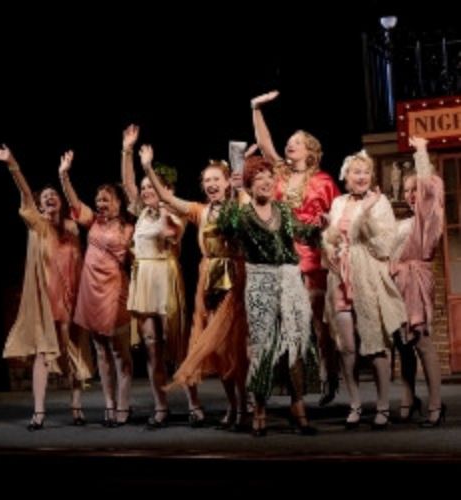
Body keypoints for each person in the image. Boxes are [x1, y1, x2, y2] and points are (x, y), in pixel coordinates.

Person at [0, 145, 93, 430]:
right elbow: (24, 193)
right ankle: (39, 412)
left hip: (71, 298)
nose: (49, 198)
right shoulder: (37, 225)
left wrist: (65, 176)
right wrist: (12, 163)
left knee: (72, 350)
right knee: (43, 354)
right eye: (44, 197)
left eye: (53, 195)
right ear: (40, 205)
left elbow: (79, 257)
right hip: (47, 300)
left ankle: (76, 407)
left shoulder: (71, 228)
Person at [142, 154, 251, 431]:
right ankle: (233, 406)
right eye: (207, 180)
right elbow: (167, 198)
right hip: (209, 279)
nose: (211, 184)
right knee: (217, 348)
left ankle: (244, 406)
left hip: (235, 278)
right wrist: (147, 168)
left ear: (227, 182)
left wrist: (241, 186)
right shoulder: (201, 211)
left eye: (216, 179)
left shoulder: (240, 204)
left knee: (234, 347)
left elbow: (252, 206)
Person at [251, 90, 340, 407]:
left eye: (297, 142)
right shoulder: (280, 173)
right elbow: (265, 146)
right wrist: (256, 109)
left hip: (312, 257)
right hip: (283, 256)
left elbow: (336, 218)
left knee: (318, 324)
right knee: (288, 324)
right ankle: (294, 386)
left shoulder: (324, 181)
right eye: (289, 141)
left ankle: (330, 373)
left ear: (310, 150)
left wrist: (326, 226)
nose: (290, 145)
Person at [218, 155, 314, 436]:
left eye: (270, 177)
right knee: (262, 347)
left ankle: (298, 408)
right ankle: (259, 409)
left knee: (295, 343)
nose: (267, 182)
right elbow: (225, 228)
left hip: (290, 281)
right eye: (259, 178)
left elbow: (302, 232)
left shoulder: (283, 209)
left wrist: (320, 225)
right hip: (260, 283)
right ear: (249, 184)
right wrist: (233, 193)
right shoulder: (243, 214)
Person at [121, 124, 203, 428]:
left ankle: (194, 403)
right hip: (143, 280)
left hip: (165, 278)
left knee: (176, 347)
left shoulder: (174, 212)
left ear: (164, 187)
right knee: (152, 347)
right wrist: (127, 150)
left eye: (150, 187)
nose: (145, 191)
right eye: (144, 188)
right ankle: (160, 406)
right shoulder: (142, 212)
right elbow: (127, 184)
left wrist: (149, 169)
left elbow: (174, 235)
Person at [322, 150, 407, 429]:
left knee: (375, 345)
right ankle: (355, 403)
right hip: (339, 279)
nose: (361, 177)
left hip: (367, 276)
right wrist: (328, 245)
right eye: (356, 172)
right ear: (346, 176)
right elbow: (331, 237)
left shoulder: (380, 202)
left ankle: (382, 406)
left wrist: (367, 214)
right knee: (347, 348)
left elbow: (384, 246)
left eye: (366, 172)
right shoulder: (338, 202)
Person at [59, 151, 134, 427]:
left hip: (114, 291)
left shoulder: (128, 227)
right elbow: (74, 202)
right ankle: (109, 404)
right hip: (90, 292)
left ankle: (124, 405)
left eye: (106, 199)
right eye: (99, 199)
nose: (101, 203)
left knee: (120, 353)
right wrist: (64, 175)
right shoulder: (93, 221)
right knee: (101, 352)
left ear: (118, 202)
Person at [390, 136, 446, 427]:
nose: (412, 195)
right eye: (408, 190)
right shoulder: (401, 223)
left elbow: (430, 193)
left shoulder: (427, 221)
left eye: (416, 189)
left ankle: (436, 404)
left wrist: (421, 152)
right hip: (397, 283)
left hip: (417, 282)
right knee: (403, 345)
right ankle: (409, 399)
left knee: (422, 343)